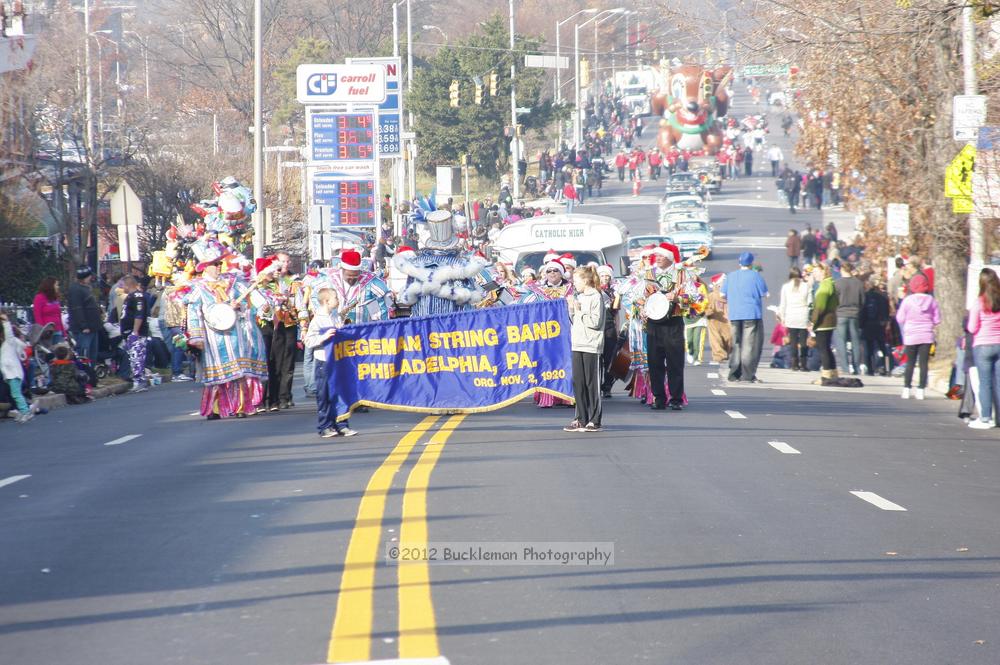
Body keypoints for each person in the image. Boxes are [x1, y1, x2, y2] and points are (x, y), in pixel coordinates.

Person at [185, 240, 269, 420]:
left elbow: (250, 302)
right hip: (213, 337)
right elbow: (193, 313)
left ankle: (240, 407)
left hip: (234, 333)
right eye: (214, 264)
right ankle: (215, 408)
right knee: (216, 375)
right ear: (205, 267)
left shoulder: (233, 283)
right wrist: (196, 337)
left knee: (238, 372)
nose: (218, 267)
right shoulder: (198, 288)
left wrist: (240, 306)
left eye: (219, 263)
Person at [305, 288, 356, 438]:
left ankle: (342, 424)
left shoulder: (334, 316)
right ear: (326, 301)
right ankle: (325, 426)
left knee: (340, 393)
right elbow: (308, 340)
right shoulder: (318, 319)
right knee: (325, 395)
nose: (337, 300)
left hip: (337, 359)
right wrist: (323, 337)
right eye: (335, 298)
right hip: (323, 361)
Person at [644, 243, 687, 410]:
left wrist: (676, 299)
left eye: (662, 256)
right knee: (654, 362)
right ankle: (658, 398)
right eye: (657, 256)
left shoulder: (681, 274)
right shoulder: (649, 273)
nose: (658, 258)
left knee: (675, 362)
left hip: (673, 322)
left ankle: (676, 398)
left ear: (669, 257)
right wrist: (644, 306)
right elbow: (639, 296)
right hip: (654, 323)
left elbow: (692, 297)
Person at [564, 266, 606, 432]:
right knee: (578, 383)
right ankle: (581, 418)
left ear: (586, 280)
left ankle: (594, 419)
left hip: (591, 344)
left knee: (591, 383)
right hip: (577, 343)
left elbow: (595, 322)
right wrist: (572, 308)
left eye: (576, 280)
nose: (574, 284)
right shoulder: (579, 296)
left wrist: (580, 309)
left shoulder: (596, 296)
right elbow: (575, 321)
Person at [722, 252, 769, 383]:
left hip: (735, 314)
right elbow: (765, 294)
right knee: (750, 345)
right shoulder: (756, 276)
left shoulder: (730, 276)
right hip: (752, 313)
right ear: (751, 263)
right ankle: (748, 374)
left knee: (736, 344)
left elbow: (722, 295)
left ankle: (734, 373)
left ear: (739, 263)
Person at [895, 273, 940, 400]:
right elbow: (937, 319)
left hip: (911, 335)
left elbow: (900, 318)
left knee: (910, 362)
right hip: (926, 335)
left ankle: (906, 388)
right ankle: (921, 389)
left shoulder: (908, 300)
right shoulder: (931, 301)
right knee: (924, 363)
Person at [966, 269, 1000, 428]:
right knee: (999, 382)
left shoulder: (979, 302)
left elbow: (972, 328)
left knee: (985, 382)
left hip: (983, 345)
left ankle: (985, 417)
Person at [1, 312, 36, 423]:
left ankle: (25, 411)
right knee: (15, 394)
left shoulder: (9, 343)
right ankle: (24, 410)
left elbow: (9, 335)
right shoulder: (7, 346)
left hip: (13, 373)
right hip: (10, 373)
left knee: (16, 394)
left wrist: (6, 322)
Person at [119, 275, 150, 393]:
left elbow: (139, 314)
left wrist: (135, 331)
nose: (121, 287)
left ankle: (140, 380)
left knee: (137, 356)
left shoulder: (137, 296)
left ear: (127, 285)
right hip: (128, 331)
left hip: (136, 332)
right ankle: (138, 380)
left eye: (123, 285)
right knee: (133, 357)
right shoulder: (130, 297)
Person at [834, 262, 865, 375]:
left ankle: (845, 367)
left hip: (841, 314)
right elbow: (862, 301)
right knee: (855, 341)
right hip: (854, 314)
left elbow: (834, 300)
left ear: (842, 269)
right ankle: (856, 367)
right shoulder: (859, 283)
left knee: (841, 341)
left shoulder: (837, 283)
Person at [809, 263, 839, 381]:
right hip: (830, 320)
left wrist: (813, 322)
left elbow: (820, 307)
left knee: (823, 349)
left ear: (823, 272)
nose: (814, 275)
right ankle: (833, 372)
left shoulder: (824, 286)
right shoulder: (830, 284)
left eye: (816, 272)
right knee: (827, 348)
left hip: (823, 322)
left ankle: (826, 376)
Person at [778, 267, 811, 371]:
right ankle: (804, 363)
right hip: (803, 315)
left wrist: (782, 317)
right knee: (803, 341)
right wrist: (810, 318)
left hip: (791, 315)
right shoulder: (806, 286)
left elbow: (783, 304)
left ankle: (794, 363)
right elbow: (810, 303)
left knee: (793, 341)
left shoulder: (786, 287)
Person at [68, 266, 102, 361]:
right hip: (84, 329)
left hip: (93, 327)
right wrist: (84, 326)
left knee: (93, 354)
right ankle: (84, 373)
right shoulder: (76, 289)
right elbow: (77, 309)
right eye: (89, 276)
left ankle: (91, 372)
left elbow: (94, 301)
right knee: (84, 353)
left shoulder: (88, 288)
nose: (91, 278)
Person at [859, 277, 890, 376]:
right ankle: (886, 367)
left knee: (869, 348)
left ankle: (871, 369)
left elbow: (863, 311)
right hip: (880, 324)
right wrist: (885, 321)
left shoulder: (866, 296)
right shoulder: (884, 296)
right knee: (883, 347)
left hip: (868, 324)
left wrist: (861, 324)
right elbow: (887, 311)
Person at [704, 273, 732, 364]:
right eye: (723, 281)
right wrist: (708, 311)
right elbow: (705, 306)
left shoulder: (731, 295)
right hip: (715, 321)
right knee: (716, 340)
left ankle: (728, 353)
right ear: (717, 284)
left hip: (728, 321)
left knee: (730, 339)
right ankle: (719, 356)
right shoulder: (711, 296)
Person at [33, 277, 65, 345]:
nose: (58, 287)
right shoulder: (39, 297)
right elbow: (38, 316)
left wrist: (63, 332)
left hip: (58, 330)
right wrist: (42, 331)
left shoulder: (55, 298)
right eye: (56, 285)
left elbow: (59, 316)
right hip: (47, 332)